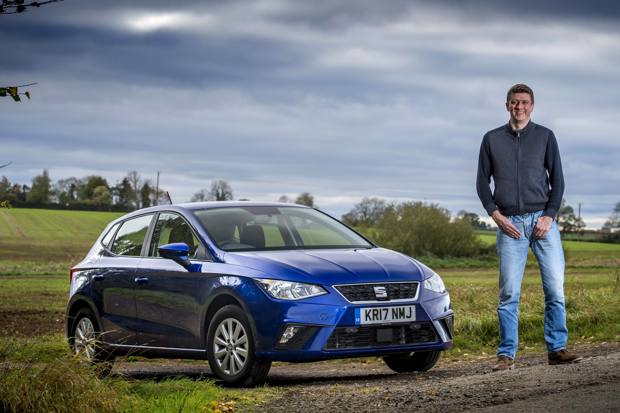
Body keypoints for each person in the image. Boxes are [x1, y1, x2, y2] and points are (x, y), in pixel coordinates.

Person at [476, 83, 582, 371]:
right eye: (514, 102)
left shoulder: (546, 137)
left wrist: (549, 216)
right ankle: (506, 355)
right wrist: (496, 216)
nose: (519, 107)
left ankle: (557, 349)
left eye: (524, 102)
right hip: (510, 225)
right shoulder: (491, 139)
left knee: (555, 290)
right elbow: (481, 183)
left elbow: (558, 180)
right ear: (507, 105)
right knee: (509, 293)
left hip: (543, 223)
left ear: (532, 106)